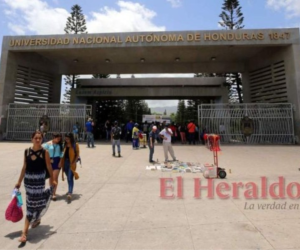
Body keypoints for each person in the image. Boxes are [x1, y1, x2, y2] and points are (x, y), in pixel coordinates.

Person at [15, 130, 55, 243]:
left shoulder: (45, 152)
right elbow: (24, 167)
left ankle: (36, 218)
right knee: (30, 206)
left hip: (39, 183)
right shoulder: (27, 151)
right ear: (32, 139)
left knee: (38, 203)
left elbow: (49, 167)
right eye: (36, 138)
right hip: (28, 183)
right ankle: (24, 233)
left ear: (42, 139)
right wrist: (18, 182)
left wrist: (52, 181)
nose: (38, 140)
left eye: (40, 138)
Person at [42, 132, 63, 201]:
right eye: (57, 139)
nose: (58, 140)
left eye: (59, 139)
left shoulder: (60, 145)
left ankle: (54, 193)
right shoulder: (48, 144)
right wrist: (47, 159)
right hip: (49, 161)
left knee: (55, 178)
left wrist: (60, 162)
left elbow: (62, 153)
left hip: (57, 161)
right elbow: (41, 150)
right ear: (53, 138)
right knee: (51, 178)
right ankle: (51, 192)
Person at [61, 133, 80, 201]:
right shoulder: (64, 144)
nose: (66, 140)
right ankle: (70, 189)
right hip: (65, 163)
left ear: (71, 138)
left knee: (70, 177)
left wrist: (74, 162)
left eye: (68, 139)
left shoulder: (75, 145)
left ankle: (70, 192)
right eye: (65, 138)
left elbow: (77, 154)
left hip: (71, 163)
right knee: (68, 177)